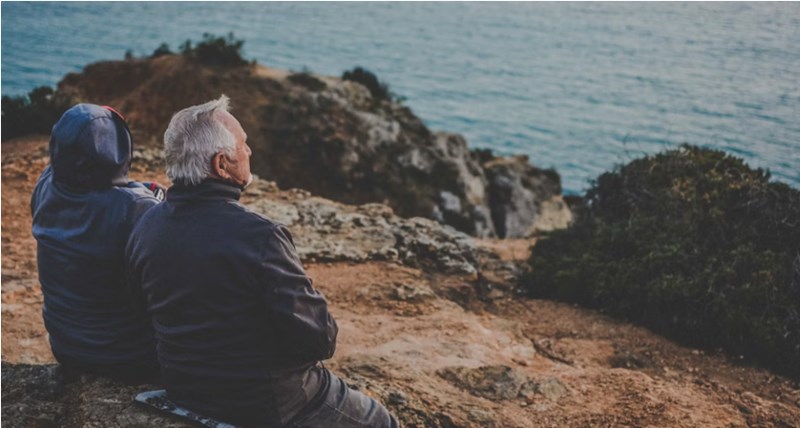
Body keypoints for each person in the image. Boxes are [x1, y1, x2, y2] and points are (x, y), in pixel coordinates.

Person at [125, 95, 397, 427]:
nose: (250, 152)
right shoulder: (260, 237)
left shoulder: (147, 226)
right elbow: (320, 339)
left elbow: (142, 310)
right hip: (270, 403)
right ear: (221, 164)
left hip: (183, 388)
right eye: (243, 145)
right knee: (381, 420)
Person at [31, 103, 164, 383]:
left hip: (65, 346)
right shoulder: (137, 208)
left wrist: (139, 189)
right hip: (128, 356)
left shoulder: (46, 184)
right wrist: (153, 197)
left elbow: (95, 189)